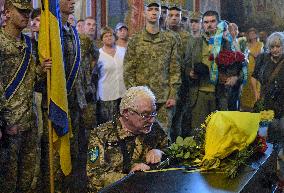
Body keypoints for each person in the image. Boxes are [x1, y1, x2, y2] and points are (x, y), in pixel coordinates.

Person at [0, 0, 51, 192]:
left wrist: (41, 70)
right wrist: (3, 122)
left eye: (28, 12)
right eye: (20, 11)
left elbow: (33, 82)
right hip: (8, 126)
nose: (26, 16)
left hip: (30, 121)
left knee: (29, 179)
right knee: (7, 182)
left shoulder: (30, 44)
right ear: (7, 13)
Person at [87, 86, 168, 192]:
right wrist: (131, 177)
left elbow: (171, 151)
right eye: (145, 115)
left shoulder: (154, 128)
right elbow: (95, 176)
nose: (152, 120)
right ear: (126, 113)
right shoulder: (101, 135)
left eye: (153, 113)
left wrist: (159, 151)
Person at [124, 0, 181, 137]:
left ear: (161, 13)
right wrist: (134, 96)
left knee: (163, 136)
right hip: (141, 100)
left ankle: (163, 159)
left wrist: (173, 94)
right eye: (150, 9)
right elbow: (128, 71)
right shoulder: (135, 40)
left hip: (164, 99)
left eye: (157, 9)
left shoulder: (170, 39)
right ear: (144, 13)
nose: (154, 12)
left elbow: (175, 69)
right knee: (141, 135)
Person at [183, 10, 244, 136]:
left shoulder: (227, 43)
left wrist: (235, 78)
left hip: (220, 95)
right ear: (202, 24)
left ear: (218, 23)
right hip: (199, 94)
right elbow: (186, 65)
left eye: (212, 21)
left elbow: (242, 68)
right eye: (206, 22)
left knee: (220, 133)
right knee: (198, 133)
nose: (209, 25)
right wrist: (190, 72)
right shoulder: (194, 43)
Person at [252, 32, 284, 191]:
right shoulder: (263, 59)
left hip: (281, 109)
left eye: (278, 46)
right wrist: (256, 93)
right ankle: (265, 176)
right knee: (263, 142)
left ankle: (280, 180)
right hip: (265, 108)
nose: (275, 50)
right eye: (272, 47)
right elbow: (254, 76)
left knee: (279, 144)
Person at [165, 1, 190, 141]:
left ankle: (179, 145)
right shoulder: (162, 36)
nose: (174, 18)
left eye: (177, 15)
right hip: (165, 83)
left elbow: (189, 59)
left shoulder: (187, 37)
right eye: (171, 15)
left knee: (180, 117)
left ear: (181, 18)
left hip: (183, 83)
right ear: (167, 17)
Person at [94, 27, 126, 125]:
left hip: (123, 93)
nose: (109, 37)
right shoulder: (98, 54)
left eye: (111, 35)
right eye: (106, 36)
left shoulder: (123, 50)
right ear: (102, 38)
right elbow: (94, 75)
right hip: (107, 95)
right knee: (109, 125)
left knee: (124, 124)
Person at [241, 27, 263, 111]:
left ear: (256, 35)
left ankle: (255, 107)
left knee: (254, 88)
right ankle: (245, 107)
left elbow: (257, 55)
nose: (251, 35)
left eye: (253, 33)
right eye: (250, 34)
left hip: (255, 68)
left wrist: (249, 50)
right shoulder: (246, 44)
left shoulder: (260, 44)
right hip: (246, 68)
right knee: (246, 88)